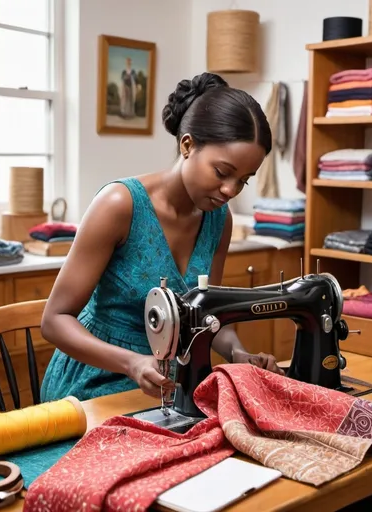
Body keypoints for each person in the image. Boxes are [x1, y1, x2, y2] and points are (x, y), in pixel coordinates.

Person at [39, 72, 284, 404]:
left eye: (244, 180)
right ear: (187, 145)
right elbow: (54, 321)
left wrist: (238, 353)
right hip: (92, 385)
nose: (231, 190)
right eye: (222, 173)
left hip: (165, 384)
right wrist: (133, 363)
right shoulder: (119, 205)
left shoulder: (218, 220)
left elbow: (206, 317)